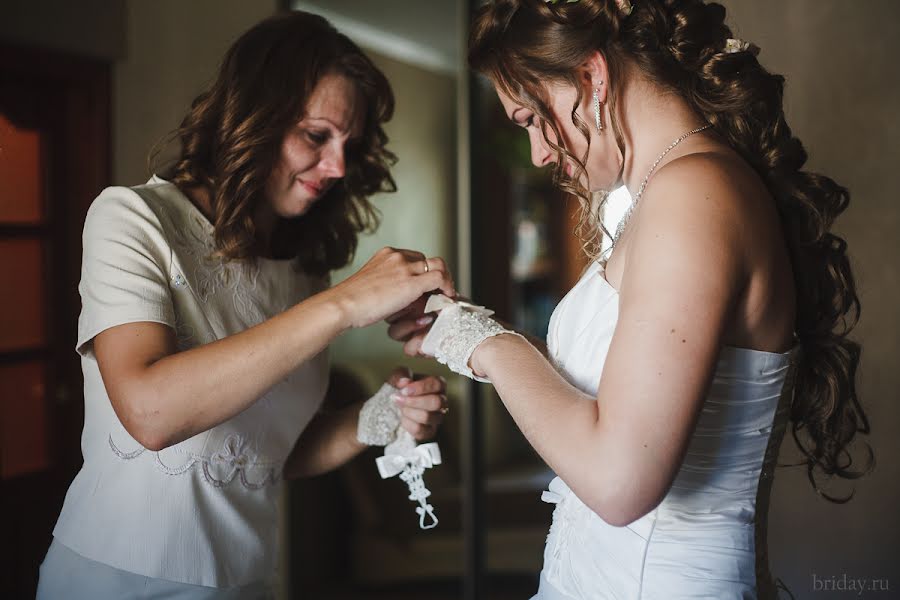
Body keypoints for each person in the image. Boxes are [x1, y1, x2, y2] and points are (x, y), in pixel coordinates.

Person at [391, 0, 873, 598]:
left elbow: (621, 481)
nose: (540, 152)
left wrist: (485, 345)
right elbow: (613, 389)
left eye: (530, 118)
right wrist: (457, 327)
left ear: (591, 77)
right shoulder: (672, 189)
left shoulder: (693, 191)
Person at [36, 11, 453, 599]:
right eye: (316, 135)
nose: (336, 168)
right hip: (117, 580)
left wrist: (382, 415)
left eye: (348, 145)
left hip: (248, 582)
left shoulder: (304, 269)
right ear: (254, 117)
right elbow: (150, 414)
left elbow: (271, 450)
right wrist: (344, 304)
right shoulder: (131, 219)